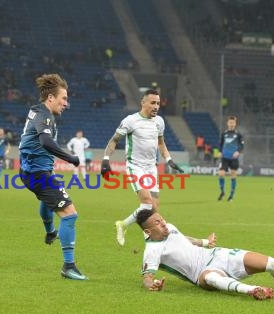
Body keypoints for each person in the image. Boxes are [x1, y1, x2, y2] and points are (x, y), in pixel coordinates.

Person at [136, 209, 274, 299]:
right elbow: (147, 277)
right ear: (149, 232)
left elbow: (184, 239)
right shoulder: (152, 250)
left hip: (218, 255)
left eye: (163, 219)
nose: (164, 224)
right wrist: (153, 284)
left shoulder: (170, 228)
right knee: (212, 279)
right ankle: (254, 291)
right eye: (158, 223)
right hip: (201, 274)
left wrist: (205, 242)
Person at [18, 73, 86, 280]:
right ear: (50, 98)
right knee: (70, 214)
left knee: (49, 200)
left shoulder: (37, 110)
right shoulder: (44, 116)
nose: (66, 103)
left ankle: (50, 231)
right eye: (63, 98)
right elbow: (46, 142)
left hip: (34, 171)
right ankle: (69, 266)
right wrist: (71, 158)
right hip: (37, 173)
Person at [101, 89, 184, 247]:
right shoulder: (130, 121)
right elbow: (114, 140)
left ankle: (141, 233)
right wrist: (105, 160)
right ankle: (125, 225)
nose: (156, 106)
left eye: (158, 103)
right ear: (143, 103)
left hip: (151, 168)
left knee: (153, 207)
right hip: (135, 166)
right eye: (153, 103)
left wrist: (169, 160)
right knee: (146, 203)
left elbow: (161, 143)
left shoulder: (159, 121)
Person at [218, 116, 244, 201]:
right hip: (225, 157)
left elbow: (241, 145)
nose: (231, 124)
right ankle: (222, 192)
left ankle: (231, 195)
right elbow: (221, 144)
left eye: (233, 122)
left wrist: (238, 152)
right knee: (221, 173)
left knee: (233, 175)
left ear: (235, 124)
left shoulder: (238, 134)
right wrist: (220, 151)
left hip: (233, 158)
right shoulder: (224, 133)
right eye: (230, 122)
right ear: (227, 123)